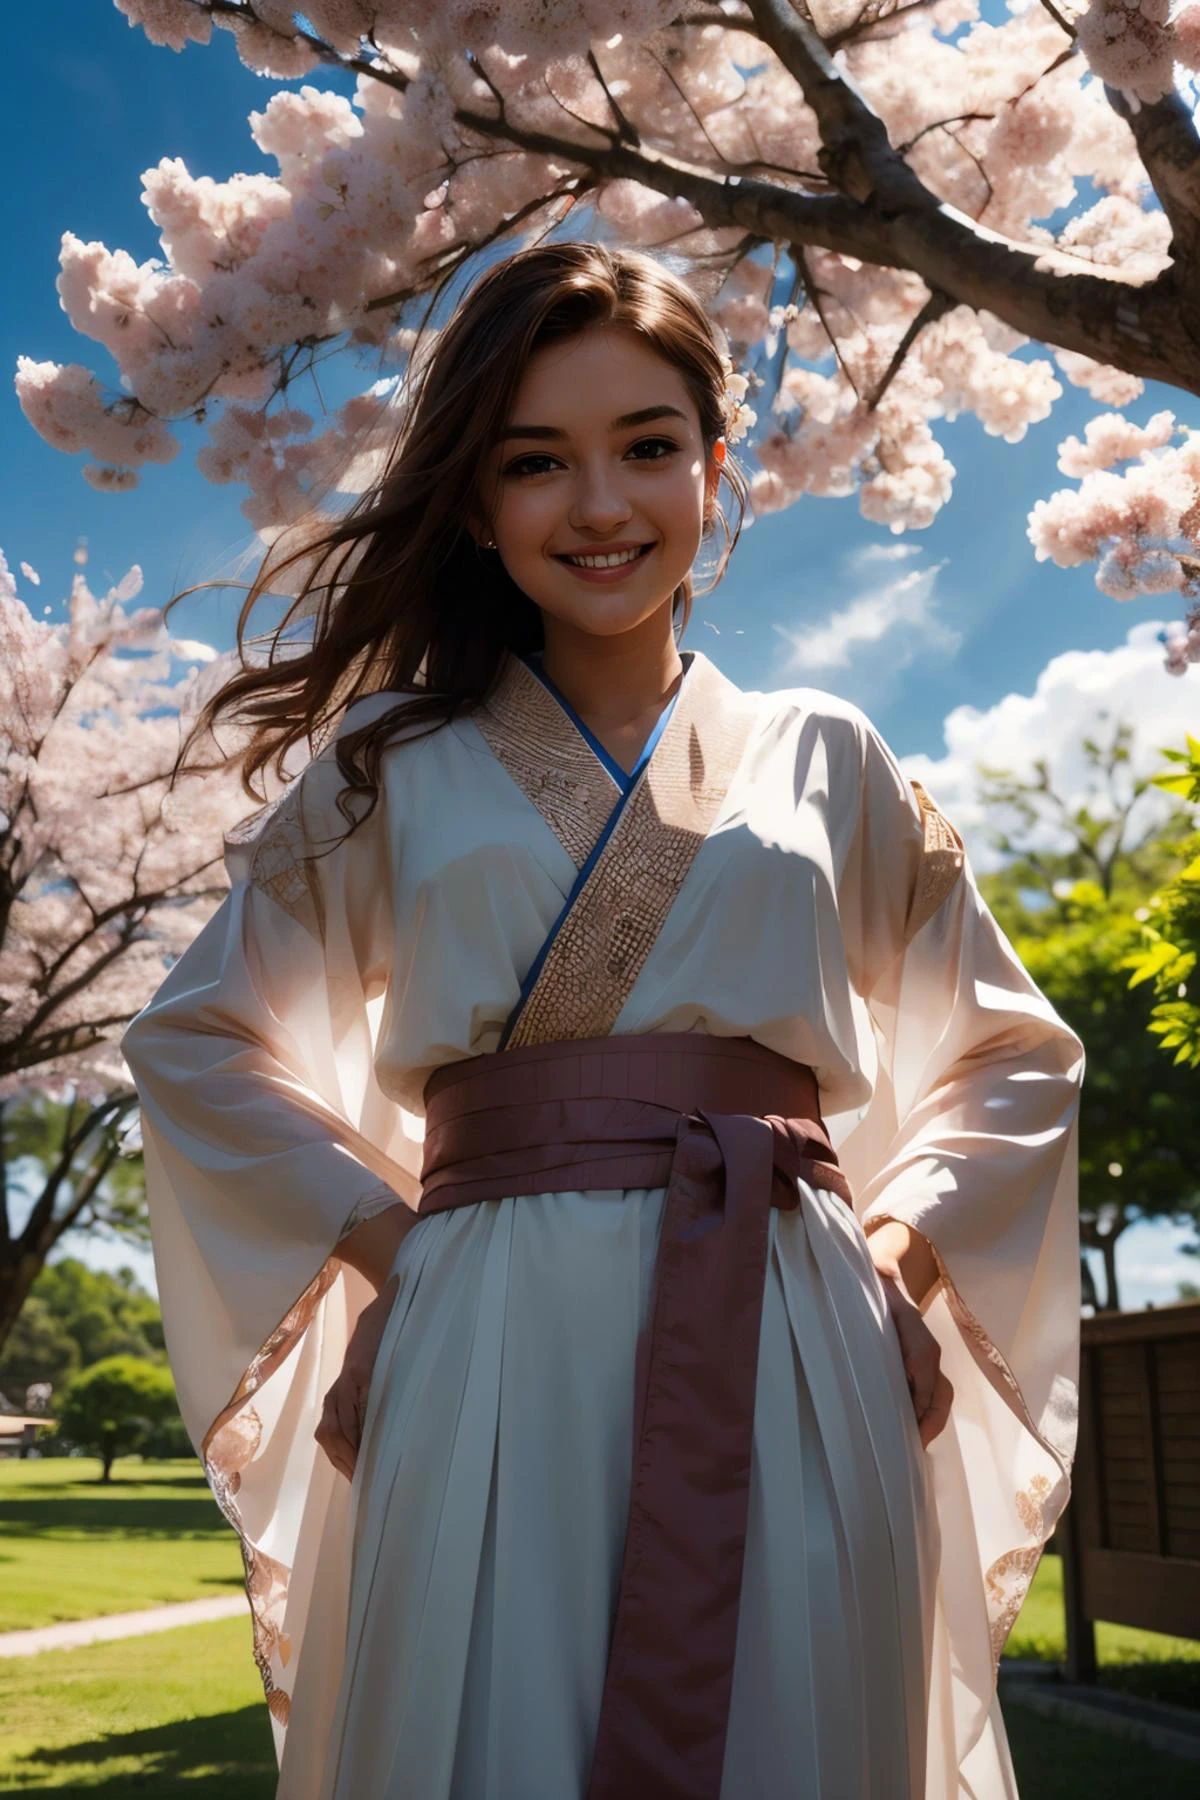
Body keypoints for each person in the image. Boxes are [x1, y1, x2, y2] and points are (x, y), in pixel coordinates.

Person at [120, 241, 1085, 1800]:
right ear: (479, 503)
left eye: (647, 448)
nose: (600, 507)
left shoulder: (827, 754)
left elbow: (1010, 1056)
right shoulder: (390, 768)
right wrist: (396, 1247)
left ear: (717, 467)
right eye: (536, 464)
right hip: (490, 1326)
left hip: (787, 1314)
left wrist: (893, 1257)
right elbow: (196, 1045)